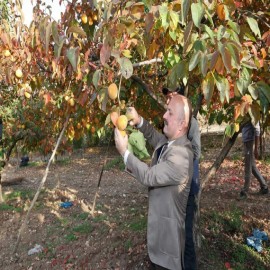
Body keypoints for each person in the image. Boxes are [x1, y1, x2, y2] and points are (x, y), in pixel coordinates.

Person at [114, 95, 194, 270]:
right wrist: (139, 120)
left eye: (170, 113)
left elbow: (149, 176)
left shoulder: (181, 156)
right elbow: (153, 136)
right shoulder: (171, 142)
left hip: (168, 250)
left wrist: (124, 153)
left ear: (182, 124)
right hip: (159, 241)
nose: (164, 116)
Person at [163, 85, 201, 270]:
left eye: (172, 95)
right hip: (174, 186)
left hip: (187, 185)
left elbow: (197, 151)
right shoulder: (169, 119)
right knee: (175, 234)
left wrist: (178, 156)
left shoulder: (191, 122)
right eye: (168, 96)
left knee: (185, 237)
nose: (169, 98)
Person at [240, 121, 268, 198]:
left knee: (248, 167)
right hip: (246, 142)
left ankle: (245, 191)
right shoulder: (246, 114)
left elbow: (257, 131)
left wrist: (256, 148)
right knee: (252, 167)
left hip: (249, 142)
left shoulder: (253, 114)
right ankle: (264, 186)